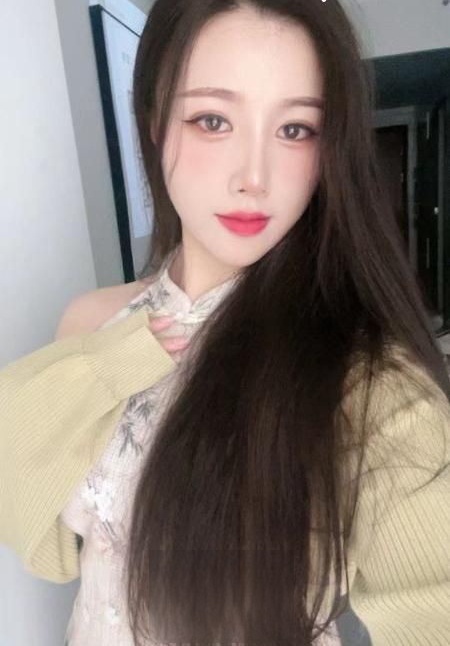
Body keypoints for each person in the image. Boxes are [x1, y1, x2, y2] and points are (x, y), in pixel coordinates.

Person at [0, 1, 449, 645]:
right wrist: (108, 368)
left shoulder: (370, 383)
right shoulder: (92, 324)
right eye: (213, 120)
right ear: (155, 123)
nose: (254, 178)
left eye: (295, 129)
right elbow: (35, 514)